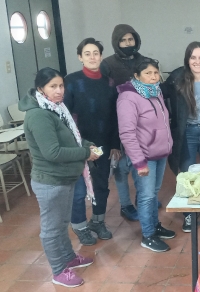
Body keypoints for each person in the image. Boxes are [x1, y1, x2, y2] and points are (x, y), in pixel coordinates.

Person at [20, 67, 96, 287]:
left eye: (61, 85)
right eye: (53, 86)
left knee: (62, 222)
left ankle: (68, 257)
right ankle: (58, 270)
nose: (59, 90)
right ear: (40, 89)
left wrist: (85, 145)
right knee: (52, 228)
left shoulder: (55, 108)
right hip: (50, 181)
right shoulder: (39, 115)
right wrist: (84, 153)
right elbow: (52, 152)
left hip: (64, 178)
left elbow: (69, 140)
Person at [161, 42, 200, 233]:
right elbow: (160, 95)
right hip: (186, 131)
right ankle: (189, 214)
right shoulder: (177, 78)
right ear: (188, 59)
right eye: (193, 57)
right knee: (187, 174)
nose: (197, 61)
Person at [64, 38, 120, 246]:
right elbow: (65, 116)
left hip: (103, 143)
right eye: (87, 53)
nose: (92, 57)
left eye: (96, 53)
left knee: (101, 186)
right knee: (78, 190)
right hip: (78, 145)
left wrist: (115, 143)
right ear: (80, 57)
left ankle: (98, 221)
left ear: (101, 56)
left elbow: (114, 116)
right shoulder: (71, 81)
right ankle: (80, 227)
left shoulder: (109, 83)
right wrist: (77, 145)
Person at [117, 59, 176, 252]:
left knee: (153, 195)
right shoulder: (128, 98)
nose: (153, 77)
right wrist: (139, 162)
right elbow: (127, 133)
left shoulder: (156, 92)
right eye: (148, 73)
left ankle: (155, 226)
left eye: (155, 73)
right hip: (145, 157)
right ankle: (148, 235)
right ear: (136, 76)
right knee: (146, 196)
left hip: (160, 153)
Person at [100, 24, 147, 221]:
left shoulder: (144, 61)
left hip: (142, 124)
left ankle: (143, 198)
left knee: (140, 164)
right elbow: (105, 97)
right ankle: (125, 204)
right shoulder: (108, 64)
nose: (128, 44)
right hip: (117, 122)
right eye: (123, 40)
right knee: (121, 167)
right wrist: (112, 139)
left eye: (131, 39)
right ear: (116, 42)